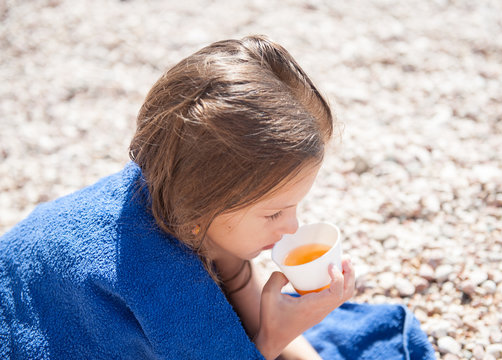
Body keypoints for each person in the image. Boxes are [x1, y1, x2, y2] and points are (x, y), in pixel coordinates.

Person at [0, 35, 435, 359]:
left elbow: (236, 280)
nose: (292, 228)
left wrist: (280, 324)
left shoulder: (183, 197)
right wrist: (271, 338)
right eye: (274, 213)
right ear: (202, 211)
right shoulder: (168, 285)